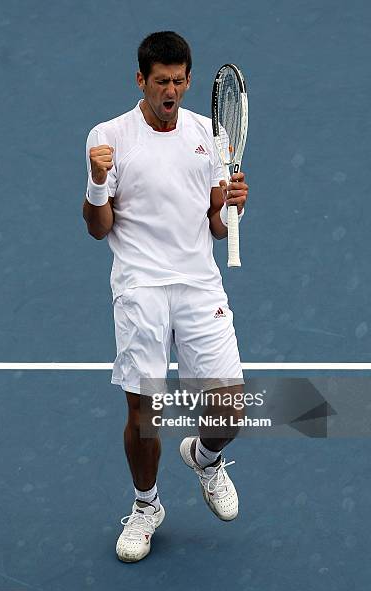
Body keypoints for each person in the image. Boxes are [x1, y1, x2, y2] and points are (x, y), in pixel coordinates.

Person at [82, 31, 249, 563]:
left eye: (178, 81)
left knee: (231, 409)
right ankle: (146, 504)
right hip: (140, 288)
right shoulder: (109, 136)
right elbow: (97, 227)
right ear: (141, 81)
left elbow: (217, 227)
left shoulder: (209, 136)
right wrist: (96, 180)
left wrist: (232, 206)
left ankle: (203, 458)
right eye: (160, 82)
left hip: (199, 284)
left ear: (189, 80)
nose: (170, 91)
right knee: (143, 411)